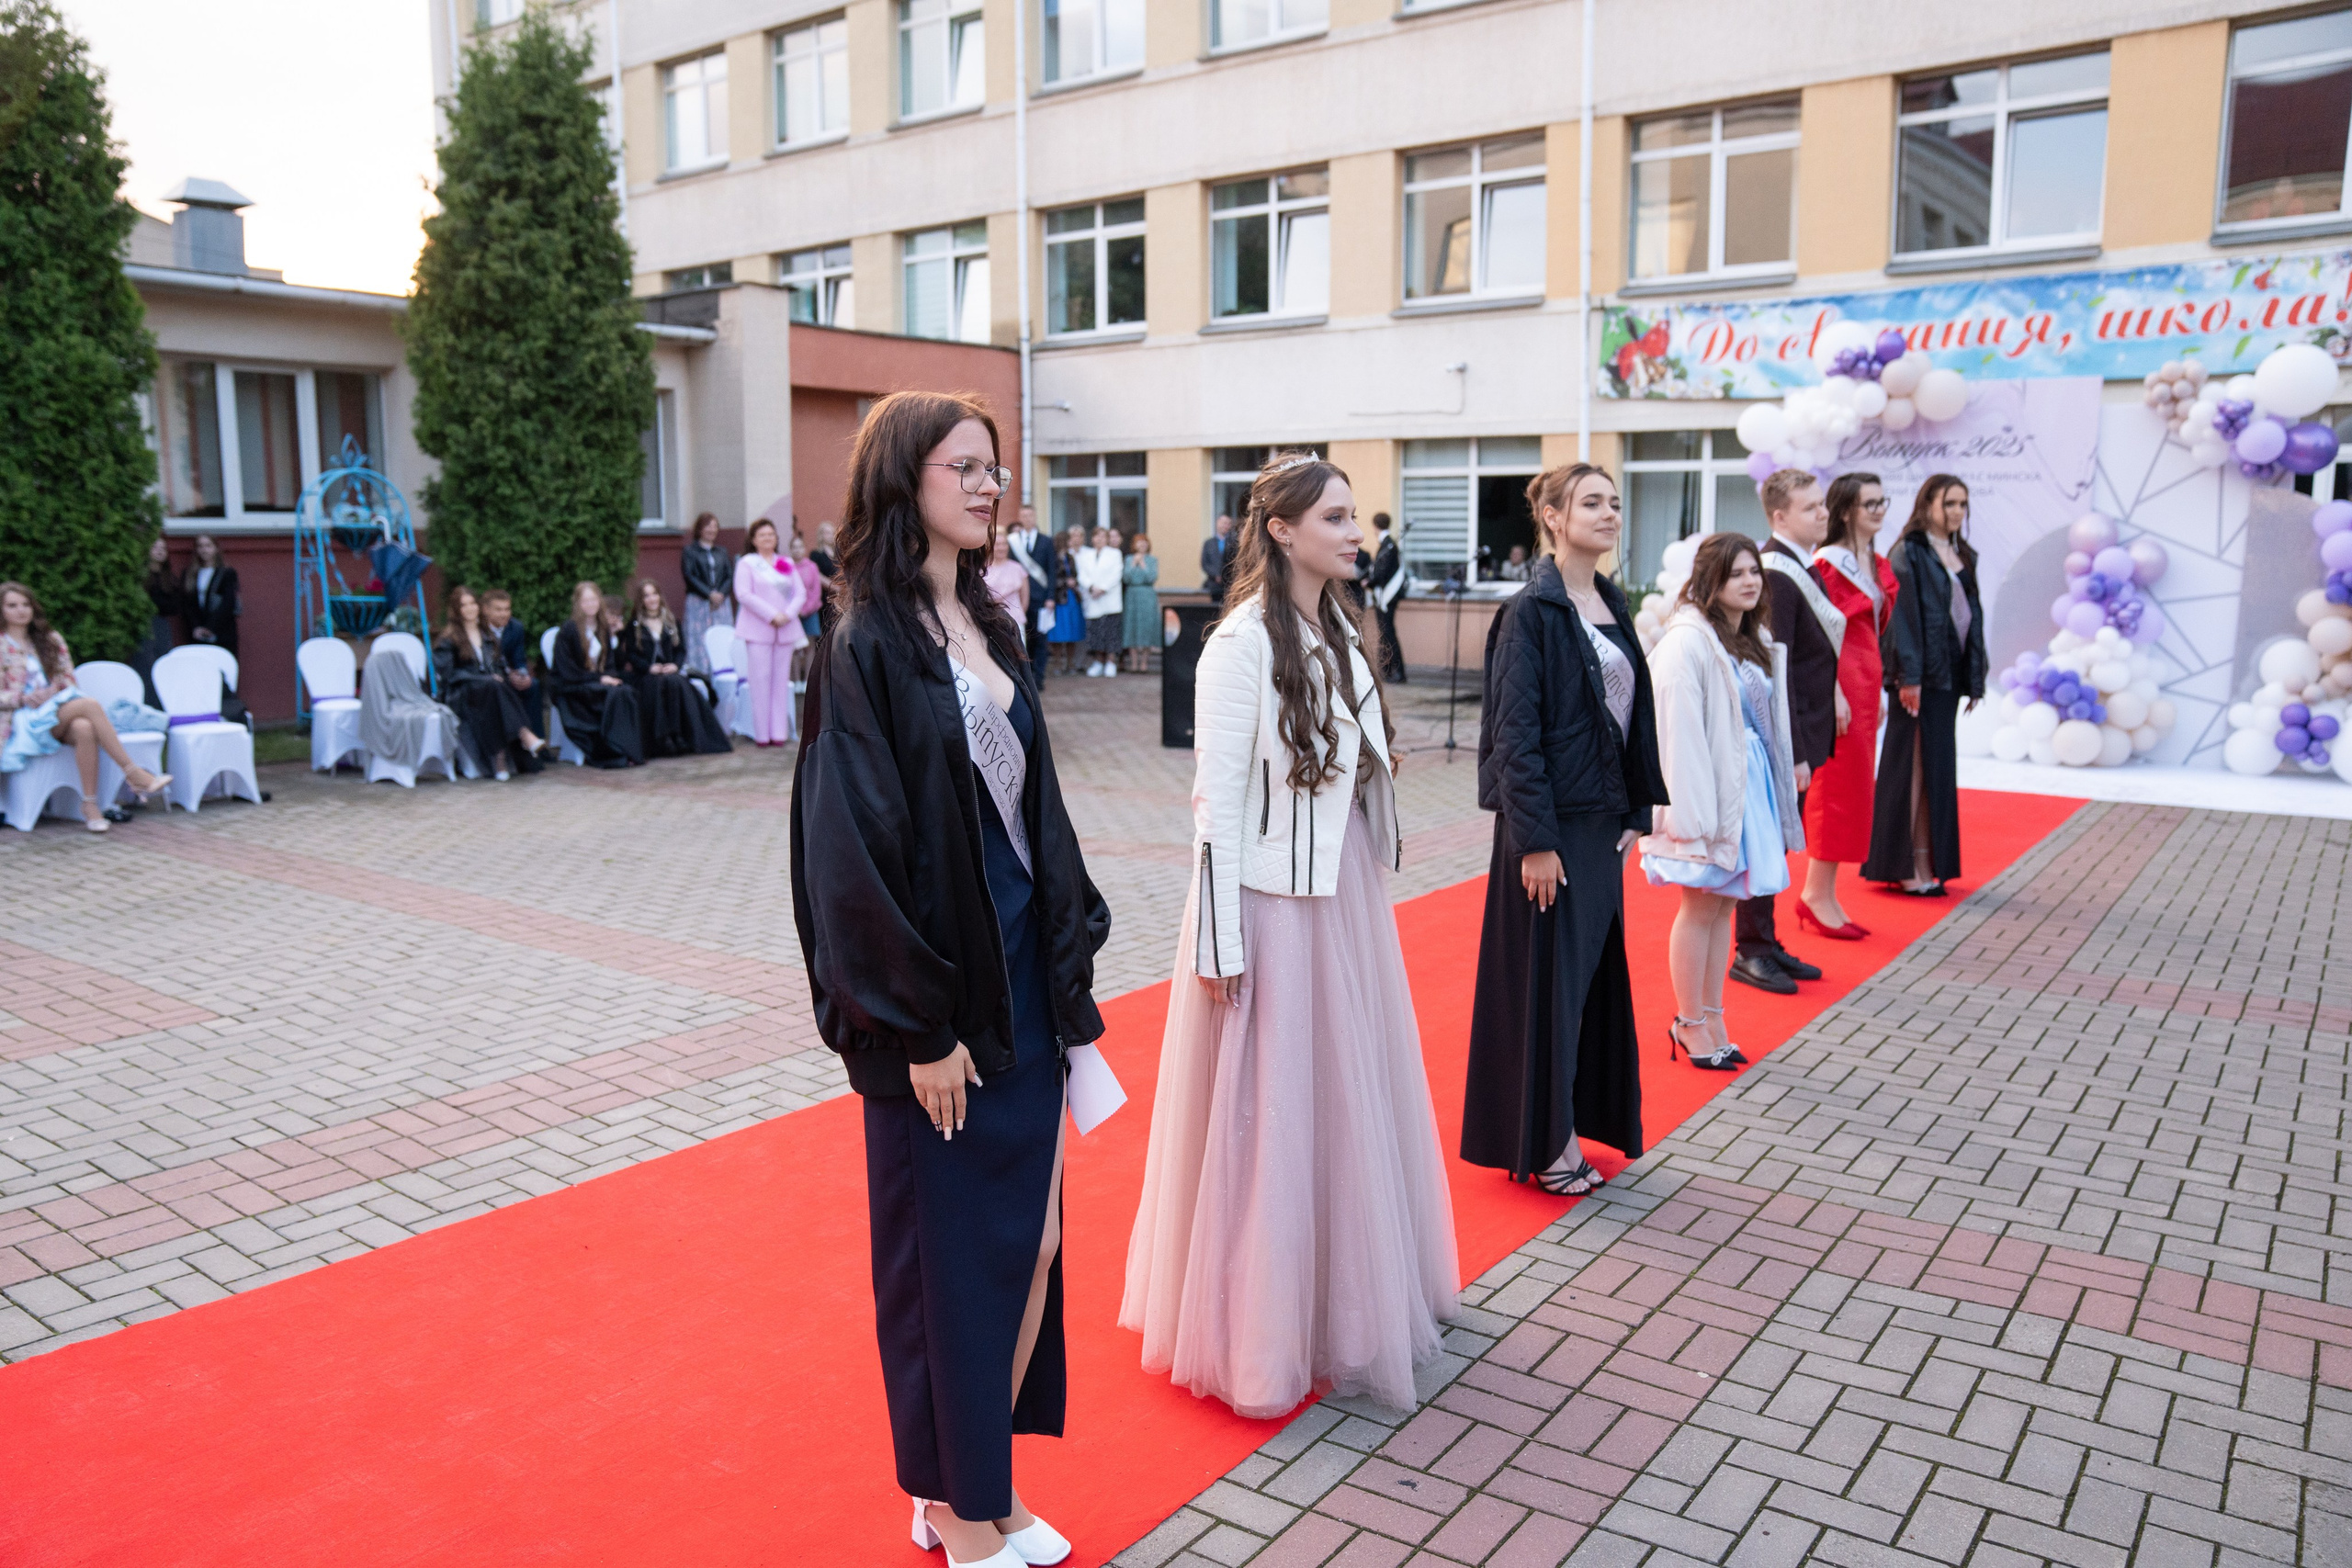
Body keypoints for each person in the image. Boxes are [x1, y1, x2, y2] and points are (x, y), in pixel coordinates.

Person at [790, 390, 1107, 1568]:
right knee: (946, 1266)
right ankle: (950, 1506)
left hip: (1024, 977)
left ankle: (983, 1486)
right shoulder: (862, 647)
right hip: (941, 1006)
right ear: (903, 481)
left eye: (994, 468)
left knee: (1027, 1245)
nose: (988, 486)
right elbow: (851, 855)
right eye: (963, 468)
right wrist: (915, 1026)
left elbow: (1038, 813)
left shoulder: (987, 623)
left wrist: (1068, 956)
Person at [1122, 451, 1459, 1420]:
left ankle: (1341, 1309)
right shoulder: (1237, 646)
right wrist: (1220, 941)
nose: (1356, 533)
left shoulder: (1339, 628)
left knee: (1343, 1101)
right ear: (1281, 530)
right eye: (1337, 518)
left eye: (1354, 517)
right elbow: (1214, 807)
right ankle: (1260, 1332)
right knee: (1270, 1118)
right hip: (1271, 900)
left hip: (1338, 887)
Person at [1461, 466, 1667, 1195]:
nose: (1610, 513)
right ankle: (1546, 1143)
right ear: (1551, 516)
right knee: (1545, 991)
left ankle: (1572, 1122)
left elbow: (1632, 720)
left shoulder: (1611, 601)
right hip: (1550, 833)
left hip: (1601, 826)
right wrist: (1536, 840)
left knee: (1585, 988)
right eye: (1591, 502)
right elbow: (1514, 737)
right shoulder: (1532, 612)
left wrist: (1636, 812)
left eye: (1614, 502)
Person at [1639, 534, 1804, 1072]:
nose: (1751, 581)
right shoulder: (1687, 643)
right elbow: (1676, 735)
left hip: (1743, 789)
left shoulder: (1746, 638)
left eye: (1754, 571)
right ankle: (1689, 1022)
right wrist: (1689, 816)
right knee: (1701, 905)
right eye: (1736, 574)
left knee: (1725, 905)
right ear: (1710, 580)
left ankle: (1711, 1016)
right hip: (1708, 792)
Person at [1730, 470, 1837, 997]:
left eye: (1821, 505)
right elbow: (1776, 670)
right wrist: (1791, 751)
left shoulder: (1800, 566)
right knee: (1767, 840)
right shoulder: (1776, 572)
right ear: (1779, 516)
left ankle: (1766, 941)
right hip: (1787, 736)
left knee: (1780, 841)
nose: (1823, 513)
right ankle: (1750, 949)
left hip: (1808, 728)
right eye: (1811, 507)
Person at [1865, 474, 1986, 897]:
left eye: (1962, 504)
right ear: (1928, 504)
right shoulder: (1908, 553)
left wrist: (1975, 679)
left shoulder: (1962, 553)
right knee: (1912, 768)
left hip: (1947, 679)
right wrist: (1908, 678)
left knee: (1936, 769)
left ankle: (1926, 862)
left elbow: (1973, 619)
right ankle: (1904, 866)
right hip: (1917, 679)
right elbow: (1903, 621)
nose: (1957, 512)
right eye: (1949, 503)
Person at [1800, 473, 1898, 936]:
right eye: (1869, 504)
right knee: (1833, 792)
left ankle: (1827, 892)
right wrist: (1833, 691)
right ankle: (1814, 894)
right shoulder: (1829, 565)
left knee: (1857, 789)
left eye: (1882, 501)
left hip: (1866, 683)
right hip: (1839, 685)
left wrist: (1876, 690)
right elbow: (1821, 636)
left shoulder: (1875, 564)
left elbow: (1873, 634)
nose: (1879, 510)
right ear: (1845, 511)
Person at [0, 581, 169, 831]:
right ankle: (133, 773)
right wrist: (22, 698)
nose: (21, 611)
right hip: (20, 720)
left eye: (26, 604)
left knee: (84, 728)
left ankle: (90, 805)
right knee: (89, 705)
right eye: (12, 605)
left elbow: (68, 680)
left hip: (53, 713)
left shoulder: (50, 639)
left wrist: (51, 691)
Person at [434, 584, 551, 779]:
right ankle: (522, 736)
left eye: (472, 603)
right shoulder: (448, 638)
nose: (470, 608)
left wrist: (505, 677)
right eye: (464, 605)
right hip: (460, 693)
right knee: (492, 685)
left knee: (498, 686)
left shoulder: (486, 635)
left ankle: (501, 760)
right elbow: (449, 675)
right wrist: (482, 678)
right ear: (456, 610)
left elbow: (496, 667)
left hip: (487, 691)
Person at [621, 580, 732, 758]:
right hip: (648, 675)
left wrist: (675, 665)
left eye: (654, 594)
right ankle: (662, 738)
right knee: (656, 687)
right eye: (646, 596)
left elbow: (680, 649)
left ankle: (678, 735)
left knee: (676, 684)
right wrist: (649, 667)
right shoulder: (635, 625)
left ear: (659, 596)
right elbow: (632, 655)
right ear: (641, 600)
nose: (651, 599)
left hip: (670, 671)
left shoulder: (671, 621)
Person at [550, 581, 644, 769]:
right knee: (615, 694)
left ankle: (629, 749)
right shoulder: (569, 630)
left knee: (626, 691)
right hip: (573, 686)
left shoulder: (602, 628)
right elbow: (567, 671)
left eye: (593, 600)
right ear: (577, 603)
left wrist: (619, 637)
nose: (590, 605)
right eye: (585, 601)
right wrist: (600, 679)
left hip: (596, 683)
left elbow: (612, 664)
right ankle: (614, 751)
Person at [734, 518, 807, 746]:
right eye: (762, 535)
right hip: (758, 630)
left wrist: (787, 613)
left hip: (785, 628)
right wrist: (771, 614)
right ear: (754, 540)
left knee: (780, 681)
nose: (768, 538)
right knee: (760, 681)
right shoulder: (747, 563)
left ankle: (779, 733)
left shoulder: (785, 562)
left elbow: (800, 593)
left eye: (771, 534)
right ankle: (762, 735)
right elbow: (744, 594)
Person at [1004, 505, 1057, 685]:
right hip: (1017, 598)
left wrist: (1051, 597)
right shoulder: (1012, 541)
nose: (1027, 519)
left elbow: (1051, 572)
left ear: (1035, 517)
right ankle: (1023, 676)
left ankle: (1038, 677)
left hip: (1041, 598)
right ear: (1020, 517)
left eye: (1030, 515)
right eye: (1024, 516)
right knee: (1020, 637)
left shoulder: (1046, 541)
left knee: (1040, 639)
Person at [481, 589, 544, 735]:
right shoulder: (479, 630)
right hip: (488, 679)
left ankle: (537, 741)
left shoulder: (515, 627)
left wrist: (522, 674)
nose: (504, 614)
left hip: (509, 677)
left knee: (532, 685)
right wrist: (507, 675)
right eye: (498, 610)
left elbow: (519, 659)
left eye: (507, 609)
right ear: (485, 610)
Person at [681, 512, 734, 677]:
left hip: (720, 603)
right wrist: (708, 594)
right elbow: (689, 575)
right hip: (699, 602)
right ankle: (700, 671)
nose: (712, 530)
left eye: (715, 526)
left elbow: (729, 575)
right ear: (700, 529)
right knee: (700, 638)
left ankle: (721, 670)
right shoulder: (690, 551)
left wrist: (721, 594)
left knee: (721, 636)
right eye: (708, 526)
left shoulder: (722, 552)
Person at [1076, 525, 1124, 678]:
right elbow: (1082, 574)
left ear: (1107, 539)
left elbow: (1116, 574)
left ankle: (1110, 662)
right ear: (1092, 539)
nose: (1099, 539)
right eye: (1097, 536)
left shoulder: (1115, 554)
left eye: (1103, 536)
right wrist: (1091, 587)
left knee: (1110, 633)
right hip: (1092, 599)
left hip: (1109, 599)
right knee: (1095, 633)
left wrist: (1102, 588)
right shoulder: (1086, 555)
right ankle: (1098, 662)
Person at [181, 533, 240, 654]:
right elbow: (187, 604)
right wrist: (196, 627)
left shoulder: (226, 573)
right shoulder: (189, 574)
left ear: (216, 549)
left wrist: (210, 627)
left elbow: (228, 602)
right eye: (200, 546)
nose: (204, 550)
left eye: (208, 546)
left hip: (222, 632)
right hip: (197, 634)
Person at [1365, 512, 1407, 682]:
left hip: (1388, 597)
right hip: (1385, 596)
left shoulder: (1388, 545)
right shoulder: (1388, 544)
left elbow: (1382, 572)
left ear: (1375, 526)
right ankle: (1386, 669)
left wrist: (1369, 581)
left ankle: (1398, 672)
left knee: (1388, 633)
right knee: (1385, 633)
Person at [134, 536, 179, 693]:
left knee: (163, 661)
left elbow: (175, 606)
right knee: (145, 662)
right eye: (155, 547)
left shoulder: (169, 578)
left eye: (163, 548)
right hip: (144, 626)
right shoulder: (141, 576)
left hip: (161, 626)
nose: (160, 551)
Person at [1047, 525, 1087, 676]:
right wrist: (1066, 583)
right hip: (1060, 599)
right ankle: (1058, 663)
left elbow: (1075, 575)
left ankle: (1070, 663)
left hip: (1072, 598)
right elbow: (1052, 578)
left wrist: (1074, 582)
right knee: (1058, 633)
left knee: (1073, 632)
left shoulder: (1070, 557)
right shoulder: (1053, 557)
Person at [1120, 531, 1159, 674]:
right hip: (1132, 595)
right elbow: (1126, 578)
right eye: (1139, 542)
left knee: (1146, 627)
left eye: (1144, 541)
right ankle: (1134, 663)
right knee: (1132, 627)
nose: (1142, 544)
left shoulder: (1152, 560)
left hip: (1147, 595)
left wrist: (1142, 564)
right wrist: (1133, 565)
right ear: (1134, 545)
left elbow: (1151, 577)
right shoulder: (1129, 559)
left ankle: (1144, 663)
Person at [982, 533, 1030, 625]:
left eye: (1004, 544)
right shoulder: (983, 569)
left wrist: (1020, 613)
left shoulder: (1017, 568)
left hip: (1016, 619)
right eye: (997, 545)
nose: (1001, 548)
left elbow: (1025, 597)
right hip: (991, 620)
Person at [1199, 513, 1232, 602]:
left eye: (1228, 524)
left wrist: (1225, 576)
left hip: (1229, 586)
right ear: (1218, 523)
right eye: (1224, 523)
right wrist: (1216, 576)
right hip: (1212, 586)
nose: (1226, 526)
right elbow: (1204, 563)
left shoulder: (1233, 543)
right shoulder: (1209, 543)